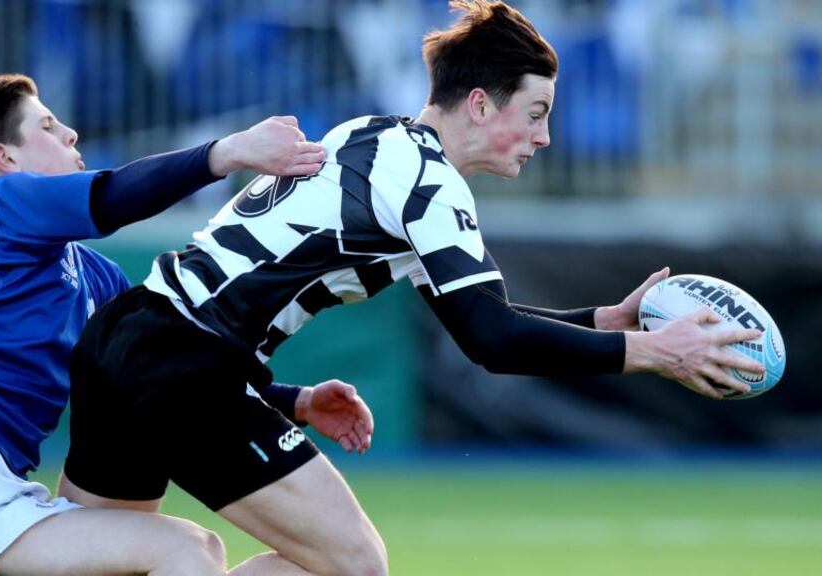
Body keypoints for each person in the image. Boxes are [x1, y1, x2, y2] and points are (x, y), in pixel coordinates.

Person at [59, 2, 766, 575]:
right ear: (482, 105)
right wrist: (652, 352)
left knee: (97, 562)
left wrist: (604, 320)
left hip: (125, 337)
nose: (545, 136)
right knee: (355, 566)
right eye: (537, 111)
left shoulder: (375, 137)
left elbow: (485, 317)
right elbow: (491, 341)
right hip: (189, 365)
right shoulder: (428, 184)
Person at [0, 73, 375, 576]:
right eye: (46, 125)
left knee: (191, 550)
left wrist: (295, 401)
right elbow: (113, 195)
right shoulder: (1, 204)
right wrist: (227, 152)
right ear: (4, 157)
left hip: (0, 492)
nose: (69, 132)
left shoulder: (97, 277)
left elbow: (169, 373)